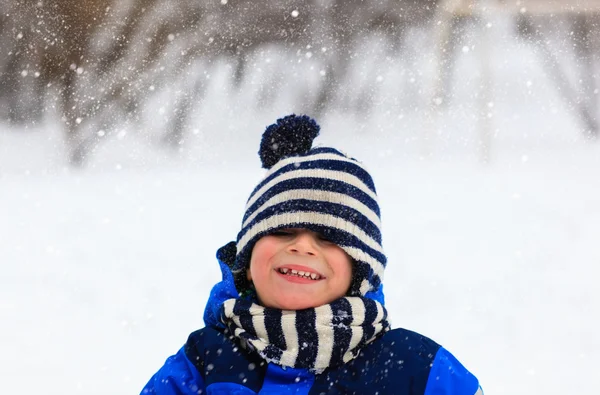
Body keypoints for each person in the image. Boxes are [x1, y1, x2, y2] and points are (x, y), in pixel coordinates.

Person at [141, 114, 483, 394]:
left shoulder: (414, 366)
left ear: (359, 272)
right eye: (283, 231)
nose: (302, 246)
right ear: (246, 259)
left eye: (328, 238)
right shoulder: (205, 361)